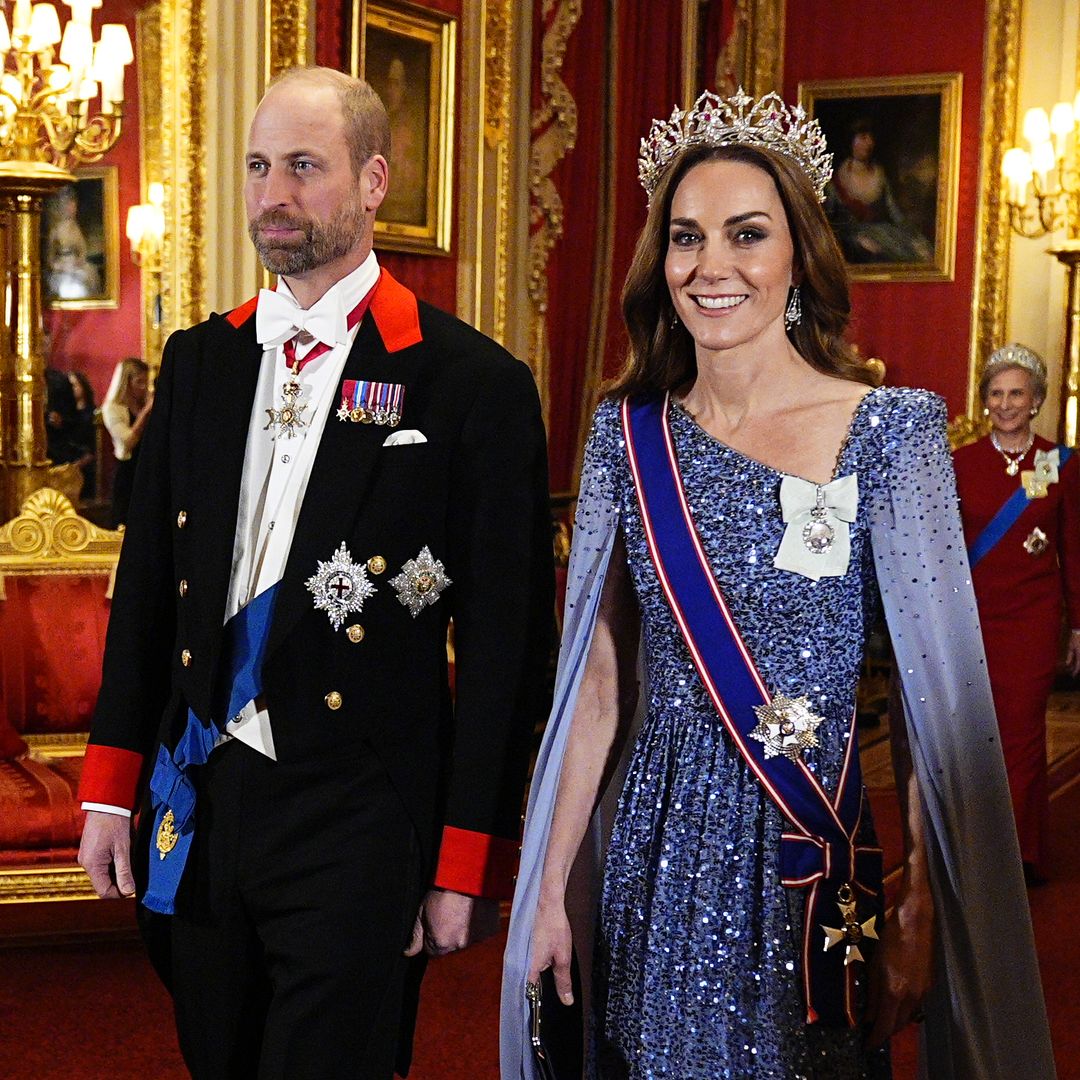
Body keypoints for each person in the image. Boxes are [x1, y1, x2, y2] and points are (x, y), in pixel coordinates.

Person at [502, 90, 1053, 1079]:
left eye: (746, 235)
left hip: (812, 850)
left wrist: (925, 898)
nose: (712, 266)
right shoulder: (624, 438)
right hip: (657, 850)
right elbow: (592, 693)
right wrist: (548, 892)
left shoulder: (893, 432)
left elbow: (937, 707)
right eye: (686, 238)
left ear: (798, 254)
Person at [77, 66, 552, 1079]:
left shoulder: (468, 384)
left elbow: (510, 648)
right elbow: (150, 586)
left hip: (359, 813)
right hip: (201, 795)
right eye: (258, 167)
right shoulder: (200, 361)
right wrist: (110, 789)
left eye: (304, 166)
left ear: (374, 180)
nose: (273, 195)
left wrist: (464, 858)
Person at [953, 343, 1080, 884]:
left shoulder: (1059, 464)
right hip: (971, 614)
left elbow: (1073, 547)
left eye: (1017, 394)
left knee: (1022, 732)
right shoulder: (958, 463)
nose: (1005, 404)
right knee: (970, 732)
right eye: (996, 394)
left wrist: (1077, 624)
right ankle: (973, 846)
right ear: (985, 402)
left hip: (1031, 617)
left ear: (1036, 402)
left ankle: (1021, 851)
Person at [824, 118, 932, 265]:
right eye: (863, 138)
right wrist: (855, 239)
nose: (869, 143)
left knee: (918, 252)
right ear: (851, 142)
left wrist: (913, 237)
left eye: (870, 138)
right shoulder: (837, 181)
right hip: (853, 242)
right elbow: (829, 222)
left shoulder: (879, 175)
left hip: (885, 234)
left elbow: (895, 213)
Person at [101, 357, 153, 527]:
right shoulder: (112, 408)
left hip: (147, 469)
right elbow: (127, 441)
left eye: (146, 382)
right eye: (139, 382)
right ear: (127, 382)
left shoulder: (143, 403)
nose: (144, 387)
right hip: (128, 471)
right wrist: (145, 413)